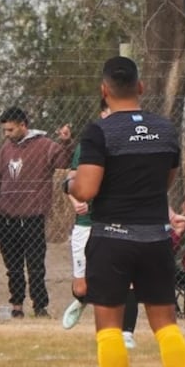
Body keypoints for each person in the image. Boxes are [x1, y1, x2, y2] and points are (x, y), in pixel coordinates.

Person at [67, 55, 185, 367]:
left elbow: (88, 190)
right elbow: (167, 181)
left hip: (112, 238)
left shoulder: (99, 132)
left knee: (109, 329)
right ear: (141, 88)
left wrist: (70, 185)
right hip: (156, 238)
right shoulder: (165, 129)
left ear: (104, 90)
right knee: (165, 325)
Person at [0, 106, 73, 318]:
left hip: (32, 216)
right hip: (6, 216)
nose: (7, 134)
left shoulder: (44, 146)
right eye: (5, 130)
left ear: (23, 125)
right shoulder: (6, 148)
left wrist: (66, 142)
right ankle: (16, 306)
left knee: (35, 265)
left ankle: (40, 307)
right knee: (12, 266)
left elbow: (64, 161)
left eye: (11, 130)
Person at [61, 99, 137, 349]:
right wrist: (75, 200)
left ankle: (126, 332)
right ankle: (83, 300)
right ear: (102, 114)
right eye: (109, 112)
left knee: (127, 279)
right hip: (88, 222)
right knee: (82, 287)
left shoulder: (132, 146)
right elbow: (71, 180)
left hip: (119, 221)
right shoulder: (89, 145)